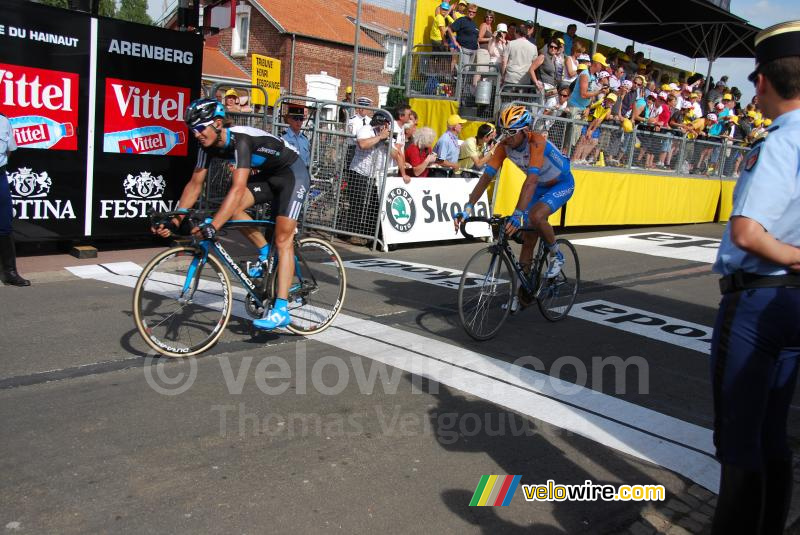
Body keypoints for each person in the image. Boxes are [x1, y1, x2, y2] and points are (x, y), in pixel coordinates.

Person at [709, 20, 800, 535]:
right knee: (773, 434)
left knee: (739, 442)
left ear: (762, 81)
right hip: (794, 307)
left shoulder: (781, 142)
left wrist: (790, 254)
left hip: (759, 301)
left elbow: (747, 232)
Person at [154, 99, 309, 330]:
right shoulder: (206, 146)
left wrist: (214, 226)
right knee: (234, 210)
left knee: (282, 239)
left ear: (217, 123)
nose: (196, 134)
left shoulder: (240, 140)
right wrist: (175, 220)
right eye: (192, 130)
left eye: (199, 128)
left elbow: (238, 189)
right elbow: (195, 184)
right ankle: (265, 253)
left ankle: (281, 310)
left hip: (293, 174)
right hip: (269, 175)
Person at [455, 105, 575, 312]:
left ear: (525, 130)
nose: (506, 137)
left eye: (511, 132)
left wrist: (519, 214)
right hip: (539, 186)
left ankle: (557, 254)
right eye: (504, 131)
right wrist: (468, 207)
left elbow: (530, 181)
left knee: (536, 217)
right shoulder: (504, 146)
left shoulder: (536, 141)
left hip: (561, 183)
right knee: (528, 241)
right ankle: (521, 295)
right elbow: (486, 177)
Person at [0, 112, 29, 286]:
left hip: (0, 176)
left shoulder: (4, 121)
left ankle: (10, 272)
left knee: (5, 224)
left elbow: (9, 150)